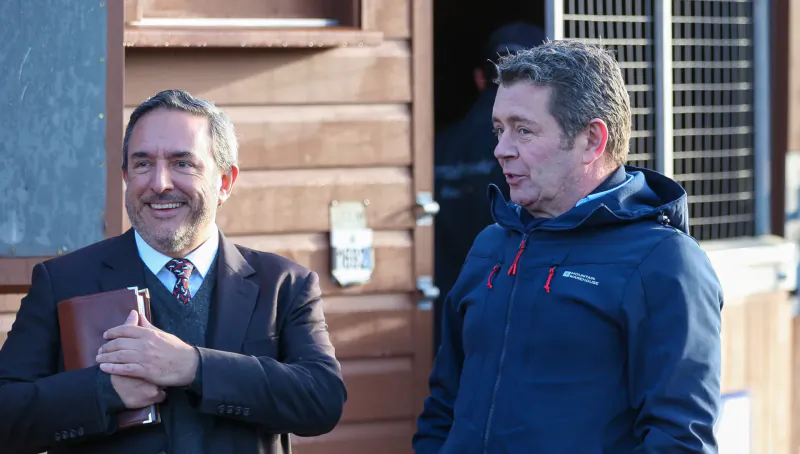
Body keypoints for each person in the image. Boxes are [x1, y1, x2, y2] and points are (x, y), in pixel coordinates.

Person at [414, 41, 723, 453]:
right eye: (499, 129)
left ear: (592, 140)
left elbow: (680, 440)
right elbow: (443, 406)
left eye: (523, 130)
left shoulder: (664, 262)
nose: (501, 149)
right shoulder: (491, 245)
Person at [0, 89, 347, 454]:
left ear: (225, 182)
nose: (160, 183)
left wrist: (195, 366)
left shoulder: (283, 284)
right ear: (125, 176)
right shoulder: (63, 282)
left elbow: (322, 400)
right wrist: (103, 392)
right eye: (143, 164)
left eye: (183, 163)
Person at [433, 21, 546, 351]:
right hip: (515, 315)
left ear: (479, 78)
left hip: (448, 311)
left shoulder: (438, 146)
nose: (505, 148)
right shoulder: (539, 152)